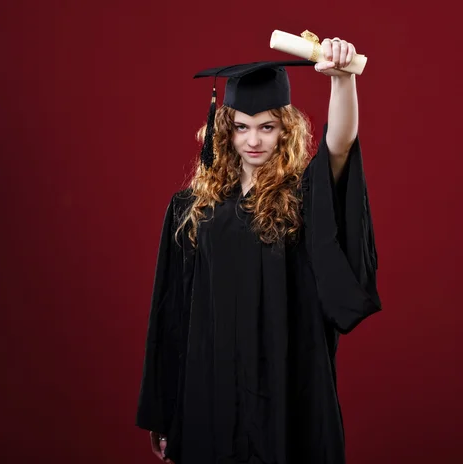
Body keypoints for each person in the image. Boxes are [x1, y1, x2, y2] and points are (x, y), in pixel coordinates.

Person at [135, 36, 382, 464]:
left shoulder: (303, 199)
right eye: (242, 127)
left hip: (286, 384)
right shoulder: (192, 208)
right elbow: (170, 312)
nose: (254, 140)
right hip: (210, 388)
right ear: (224, 128)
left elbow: (339, 147)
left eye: (267, 127)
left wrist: (343, 81)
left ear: (285, 130)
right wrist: (164, 409)